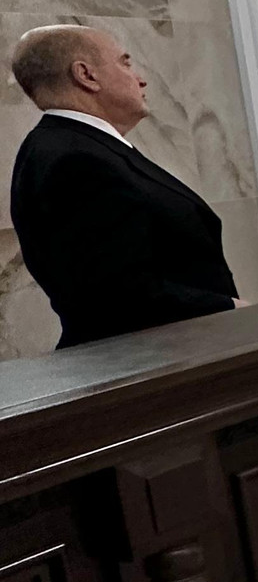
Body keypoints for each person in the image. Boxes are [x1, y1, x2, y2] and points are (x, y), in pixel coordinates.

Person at [8, 24, 239, 348]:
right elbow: (116, 293)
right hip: (154, 360)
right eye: (125, 62)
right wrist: (229, 308)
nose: (141, 79)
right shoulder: (73, 159)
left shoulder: (81, 146)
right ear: (86, 75)